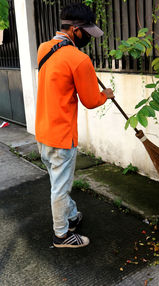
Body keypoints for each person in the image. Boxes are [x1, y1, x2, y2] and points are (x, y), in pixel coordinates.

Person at [35, 3, 114, 248]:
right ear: (75, 30)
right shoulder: (79, 59)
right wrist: (107, 95)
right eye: (87, 33)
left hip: (43, 131)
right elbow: (91, 101)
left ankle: (70, 215)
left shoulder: (44, 48)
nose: (88, 38)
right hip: (62, 136)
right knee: (60, 188)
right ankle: (62, 235)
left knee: (56, 181)